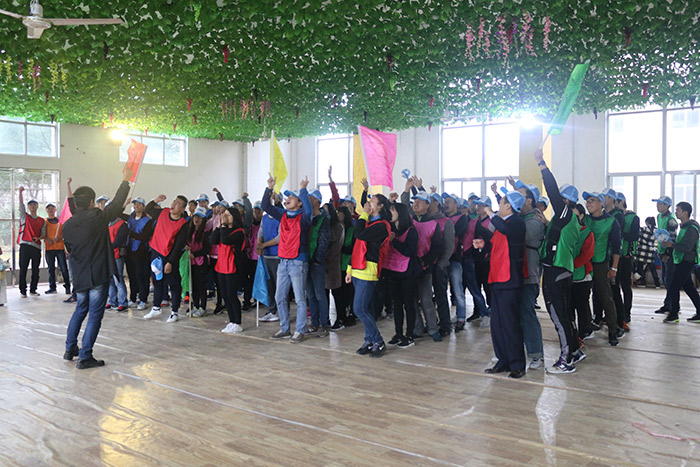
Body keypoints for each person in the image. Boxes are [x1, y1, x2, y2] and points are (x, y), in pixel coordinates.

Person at [63, 165, 132, 369]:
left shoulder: (67, 226)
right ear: (92, 201)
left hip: (80, 276)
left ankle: (70, 348)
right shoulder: (97, 218)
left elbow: (70, 249)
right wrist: (125, 180)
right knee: (94, 315)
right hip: (97, 275)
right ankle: (85, 356)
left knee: (80, 310)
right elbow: (117, 203)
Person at [479, 189, 527, 379]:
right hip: (497, 277)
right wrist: (484, 244)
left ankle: (517, 363)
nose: (498, 207)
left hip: (510, 279)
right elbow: (498, 244)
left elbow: (507, 232)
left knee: (510, 323)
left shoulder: (516, 222)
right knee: (497, 324)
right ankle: (503, 360)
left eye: (500, 203)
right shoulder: (503, 224)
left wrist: (490, 214)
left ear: (508, 206)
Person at [262, 175, 313, 343]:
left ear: (299, 203)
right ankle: (284, 329)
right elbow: (265, 206)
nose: (287, 199)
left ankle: (300, 330)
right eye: (287, 197)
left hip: (298, 261)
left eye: (292, 197)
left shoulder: (304, 217)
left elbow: (309, 210)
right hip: (283, 262)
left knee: (299, 299)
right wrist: (269, 188)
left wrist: (303, 190)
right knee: (279, 297)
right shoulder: (283, 214)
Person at [347, 194, 392, 357]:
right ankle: (369, 340)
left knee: (359, 309)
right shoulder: (367, 222)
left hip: (368, 269)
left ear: (380, 206)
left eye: (372, 201)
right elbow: (356, 245)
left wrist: (364, 214)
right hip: (357, 268)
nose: (368, 203)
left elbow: (359, 234)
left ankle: (378, 341)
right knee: (366, 308)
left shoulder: (382, 226)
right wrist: (349, 269)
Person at [400, 179, 443, 341]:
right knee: (411, 301)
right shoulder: (409, 220)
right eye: (415, 201)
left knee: (426, 300)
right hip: (408, 267)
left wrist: (426, 261)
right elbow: (404, 206)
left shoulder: (433, 224)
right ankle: (417, 328)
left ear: (427, 205)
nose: (416, 204)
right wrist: (406, 190)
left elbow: (437, 248)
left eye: (420, 201)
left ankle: (433, 329)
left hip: (425, 267)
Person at [582, 191, 623, 346]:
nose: (588, 204)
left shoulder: (611, 221)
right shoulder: (584, 219)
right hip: (584, 263)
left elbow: (617, 247)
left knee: (606, 297)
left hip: (600, 264)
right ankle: (587, 326)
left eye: (592, 200)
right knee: (582, 296)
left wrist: (614, 268)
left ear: (601, 203)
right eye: (587, 201)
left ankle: (613, 330)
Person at [143, 194, 190, 323]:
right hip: (156, 253)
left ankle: (174, 312)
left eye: (178, 203)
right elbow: (148, 209)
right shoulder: (163, 212)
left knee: (173, 284)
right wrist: (155, 200)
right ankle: (156, 307)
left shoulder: (183, 224)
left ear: (183, 209)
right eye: (174, 201)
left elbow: (178, 245)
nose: (174, 204)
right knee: (157, 280)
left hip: (169, 257)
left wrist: (170, 262)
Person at [384, 202, 420, 348]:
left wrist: (394, 241)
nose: (390, 214)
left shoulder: (411, 231)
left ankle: (409, 335)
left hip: (408, 272)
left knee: (409, 304)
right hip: (393, 271)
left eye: (393, 211)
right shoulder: (391, 229)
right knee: (397, 304)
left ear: (401, 213)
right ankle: (398, 334)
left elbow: (409, 251)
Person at [660, 202, 700, 324]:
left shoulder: (691, 229)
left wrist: (672, 245)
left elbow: (687, 247)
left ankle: (673, 314)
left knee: (673, 286)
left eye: (678, 210)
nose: (676, 212)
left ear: (685, 212)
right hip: (680, 260)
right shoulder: (684, 227)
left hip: (686, 261)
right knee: (689, 287)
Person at [210, 207, 247, 332]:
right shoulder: (223, 230)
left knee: (232, 295)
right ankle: (232, 321)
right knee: (225, 295)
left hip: (232, 266)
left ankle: (238, 322)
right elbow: (213, 240)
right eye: (224, 215)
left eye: (228, 215)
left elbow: (226, 241)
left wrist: (223, 226)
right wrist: (218, 226)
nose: (225, 217)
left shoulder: (239, 232)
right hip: (221, 265)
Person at [442, 193, 469, 333]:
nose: (446, 204)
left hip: (454, 258)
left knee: (458, 290)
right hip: (441, 258)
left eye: (449, 201)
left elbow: (454, 233)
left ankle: (461, 318)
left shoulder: (462, 218)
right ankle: (445, 319)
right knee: (442, 291)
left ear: (456, 205)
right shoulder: (442, 217)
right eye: (445, 201)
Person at [306, 189, 331, 336]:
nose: (307, 199)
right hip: (306, 260)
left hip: (316, 262)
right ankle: (314, 323)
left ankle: (324, 323)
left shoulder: (324, 219)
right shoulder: (307, 216)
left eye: (310, 197)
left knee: (320, 294)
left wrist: (318, 259)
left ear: (316, 200)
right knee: (310, 294)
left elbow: (323, 241)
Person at [571, 203, 596, 341]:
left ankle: (586, 330)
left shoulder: (587, 233)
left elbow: (586, 255)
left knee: (582, 304)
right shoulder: (566, 231)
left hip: (582, 275)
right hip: (569, 275)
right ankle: (573, 332)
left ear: (581, 216)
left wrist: (570, 265)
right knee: (570, 305)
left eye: (575, 216)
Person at [615, 192, 639, 331]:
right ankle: (616, 312)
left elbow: (635, 236)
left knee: (625, 285)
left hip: (626, 256)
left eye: (616, 201)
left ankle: (626, 313)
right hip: (615, 255)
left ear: (622, 202)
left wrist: (620, 233)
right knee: (614, 286)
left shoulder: (633, 217)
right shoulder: (612, 215)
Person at [17, 186, 46, 298]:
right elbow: (20, 205)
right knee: (23, 268)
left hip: (36, 247)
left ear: (37, 206)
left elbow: (43, 234)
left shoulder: (42, 220)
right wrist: (20, 192)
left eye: (34, 204)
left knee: (35, 269)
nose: (33, 206)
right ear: (28, 207)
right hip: (25, 245)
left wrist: (38, 238)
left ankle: (33, 289)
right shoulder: (25, 217)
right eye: (30, 205)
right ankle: (22, 290)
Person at [257, 193, 281, 322]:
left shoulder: (281, 217)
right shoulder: (265, 218)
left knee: (280, 286)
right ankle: (272, 310)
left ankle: (282, 311)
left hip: (277, 256)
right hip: (266, 256)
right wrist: (259, 245)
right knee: (269, 285)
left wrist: (263, 245)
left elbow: (279, 238)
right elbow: (261, 232)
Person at [126, 197, 154, 310]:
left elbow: (145, 236)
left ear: (143, 207)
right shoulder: (130, 218)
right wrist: (125, 203)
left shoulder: (148, 221)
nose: (136, 206)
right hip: (129, 250)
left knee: (141, 275)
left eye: (139, 204)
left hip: (141, 252)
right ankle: (133, 298)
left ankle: (143, 299)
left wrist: (131, 234)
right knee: (132, 276)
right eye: (135, 204)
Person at [653, 196, 678, 314]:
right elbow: (660, 235)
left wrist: (668, 253)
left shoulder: (671, 220)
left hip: (669, 253)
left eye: (660, 204)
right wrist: (660, 251)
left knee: (669, 280)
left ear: (667, 206)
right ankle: (668, 304)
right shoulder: (659, 216)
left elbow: (672, 237)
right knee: (665, 279)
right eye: (657, 204)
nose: (658, 206)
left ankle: (672, 305)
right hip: (662, 251)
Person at [332, 205, 356, 329]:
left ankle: (350, 314)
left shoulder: (352, 229)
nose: (338, 215)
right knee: (337, 292)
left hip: (347, 265)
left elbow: (352, 248)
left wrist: (340, 248)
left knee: (348, 292)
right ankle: (340, 316)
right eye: (336, 212)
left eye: (340, 212)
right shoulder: (335, 228)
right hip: (335, 265)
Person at [323, 202, 345, 329]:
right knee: (323, 293)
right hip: (322, 264)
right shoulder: (323, 225)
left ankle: (340, 319)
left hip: (333, 264)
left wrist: (325, 259)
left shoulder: (338, 227)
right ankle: (324, 319)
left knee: (337, 293)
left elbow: (335, 248)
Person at [188, 207, 212, 317]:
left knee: (201, 285)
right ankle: (196, 305)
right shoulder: (190, 230)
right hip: (191, 262)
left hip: (201, 262)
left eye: (200, 218)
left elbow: (207, 248)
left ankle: (203, 307)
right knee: (194, 286)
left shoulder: (206, 233)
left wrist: (195, 254)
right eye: (195, 217)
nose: (196, 220)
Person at [43, 201, 71, 295]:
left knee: (63, 268)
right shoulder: (44, 222)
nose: (51, 210)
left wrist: (60, 237)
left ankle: (67, 286)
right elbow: (42, 234)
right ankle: (52, 287)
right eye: (49, 208)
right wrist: (47, 239)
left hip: (59, 248)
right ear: (46, 210)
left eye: (52, 208)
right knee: (51, 269)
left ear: (55, 209)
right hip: (49, 248)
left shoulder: (61, 221)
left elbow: (65, 232)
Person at [107, 207, 130, 312]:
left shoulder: (122, 224)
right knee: (110, 279)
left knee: (118, 279)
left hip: (117, 255)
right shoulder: (105, 224)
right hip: (108, 255)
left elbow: (119, 240)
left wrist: (108, 247)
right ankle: (112, 301)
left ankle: (123, 302)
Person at [635, 217, 661, 288]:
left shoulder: (643, 229)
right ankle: (657, 284)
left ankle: (642, 282)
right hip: (650, 251)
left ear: (647, 222)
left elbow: (638, 237)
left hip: (642, 250)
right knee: (652, 268)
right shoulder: (657, 231)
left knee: (640, 268)